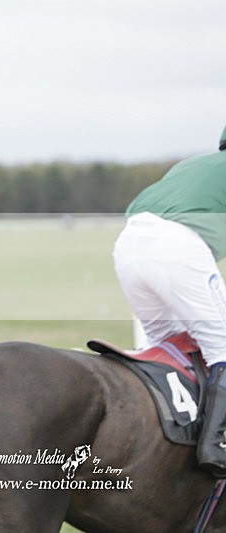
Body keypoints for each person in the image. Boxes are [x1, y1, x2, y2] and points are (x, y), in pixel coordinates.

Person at [113, 125, 226, 476]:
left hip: (128, 246)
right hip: (177, 247)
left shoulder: (193, 164)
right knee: (222, 346)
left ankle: (165, 445)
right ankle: (216, 446)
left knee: (170, 348)